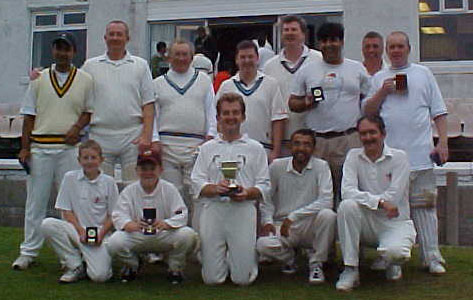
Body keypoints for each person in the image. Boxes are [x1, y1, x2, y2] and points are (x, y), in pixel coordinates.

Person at [363, 31, 448, 275]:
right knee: (390, 208)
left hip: (420, 156)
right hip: (388, 160)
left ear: (409, 48)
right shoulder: (379, 77)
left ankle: (431, 256)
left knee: (424, 207)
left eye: (400, 46)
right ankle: (391, 258)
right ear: (387, 51)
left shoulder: (423, 74)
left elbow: (439, 112)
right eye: (392, 47)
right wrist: (383, 91)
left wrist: (442, 143)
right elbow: (367, 112)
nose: (396, 50)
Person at [12, 32, 93, 270]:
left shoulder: (86, 79)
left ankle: (68, 252)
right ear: (53, 51)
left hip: (70, 149)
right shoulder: (38, 79)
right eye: (58, 48)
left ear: (74, 52)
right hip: (41, 148)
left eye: (66, 49)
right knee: (35, 203)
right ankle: (28, 251)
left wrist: (76, 128)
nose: (62, 53)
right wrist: (25, 148)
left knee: (69, 204)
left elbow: (89, 111)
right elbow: (29, 115)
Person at [191, 93, 271, 285]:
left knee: (242, 279)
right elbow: (196, 181)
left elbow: (264, 184)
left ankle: (239, 257)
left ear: (243, 117)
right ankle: (220, 258)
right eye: (225, 113)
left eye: (235, 112)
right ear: (218, 118)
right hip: (214, 209)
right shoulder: (207, 148)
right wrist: (215, 188)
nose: (231, 117)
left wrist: (247, 193)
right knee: (212, 279)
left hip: (243, 210)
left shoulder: (255, 148)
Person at [289, 22, 370, 204]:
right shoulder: (307, 70)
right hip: (317, 142)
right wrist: (306, 103)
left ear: (341, 42)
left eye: (333, 40)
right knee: (319, 195)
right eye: (324, 41)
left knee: (348, 194)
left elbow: (368, 99)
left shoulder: (356, 69)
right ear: (319, 44)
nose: (329, 45)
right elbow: (293, 103)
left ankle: (346, 231)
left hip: (348, 139)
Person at [336, 116, 416, 291]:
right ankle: (351, 269)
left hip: (394, 222)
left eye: (372, 132)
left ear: (383, 134)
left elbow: (393, 198)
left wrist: (381, 202)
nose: (368, 137)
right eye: (363, 133)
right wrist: (379, 201)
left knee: (396, 253)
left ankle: (391, 261)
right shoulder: (353, 156)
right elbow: (347, 191)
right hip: (365, 221)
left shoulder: (399, 158)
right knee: (346, 206)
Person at [152, 39, 217, 229]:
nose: (181, 58)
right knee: (171, 194)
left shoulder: (204, 81)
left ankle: (196, 239)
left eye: (185, 54)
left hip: (196, 145)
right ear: (169, 57)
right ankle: (173, 240)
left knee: (196, 194)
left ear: (192, 57)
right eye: (177, 54)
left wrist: (210, 135)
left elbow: (210, 110)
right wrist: (155, 140)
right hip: (167, 145)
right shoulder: (158, 83)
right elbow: (152, 116)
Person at [257, 129, 336, 284]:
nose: (301, 148)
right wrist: (267, 221)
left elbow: (327, 200)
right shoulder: (277, 166)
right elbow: (266, 198)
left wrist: (294, 217)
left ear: (313, 148)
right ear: (290, 146)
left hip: (310, 225)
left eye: (307, 144)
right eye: (297, 144)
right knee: (262, 245)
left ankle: (316, 264)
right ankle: (291, 259)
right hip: (284, 226)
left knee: (328, 215)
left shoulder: (322, 166)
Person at [107, 149, 198, 284]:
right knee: (114, 242)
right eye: (144, 168)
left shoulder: (169, 189)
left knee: (188, 235)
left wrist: (166, 223)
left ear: (160, 170)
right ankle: (133, 265)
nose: (148, 173)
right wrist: (130, 224)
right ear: (137, 170)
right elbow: (119, 215)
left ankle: (175, 267)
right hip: (139, 234)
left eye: (152, 168)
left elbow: (182, 213)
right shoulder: (129, 191)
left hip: (163, 233)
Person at [82, 20, 155, 183]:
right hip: (100, 135)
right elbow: (75, 91)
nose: (115, 38)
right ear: (105, 38)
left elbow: (148, 104)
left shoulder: (140, 65)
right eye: (111, 34)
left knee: (134, 188)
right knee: (99, 189)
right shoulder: (90, 66)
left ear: (127, 38)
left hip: (132, 135)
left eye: (119, 34)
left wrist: (147, 137)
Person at [40, 140, 118, 283]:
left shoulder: (109, 182)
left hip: (99, 235)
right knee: (47, 224)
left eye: (93, 158)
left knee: (100, 277)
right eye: (85, 158)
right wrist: (80, 230)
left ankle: (88, 259)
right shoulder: (70, 178)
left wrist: (101, 234)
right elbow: (66, 210)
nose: (89, 162)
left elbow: (113, 215)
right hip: (76, 231)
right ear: (79, 160)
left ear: (101, 159)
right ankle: (74, 265)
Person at [216, 40, 287, 162]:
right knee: (231, 181)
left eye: (250, 57)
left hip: (263, 149)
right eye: (242, 57)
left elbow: (278, 120)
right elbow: (217, 119)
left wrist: (275, 152)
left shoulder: (271, 84)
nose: (247, 61)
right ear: (236, 60)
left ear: (257, 58)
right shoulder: (227, 86)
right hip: (232, 149)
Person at [263, 15, 322, 155]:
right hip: (282, 139)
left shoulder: (318, 60)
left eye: (294, 29)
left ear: (303, 34)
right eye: (286, 30)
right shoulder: (269, 66)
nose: (289, 33)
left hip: (313, 136)